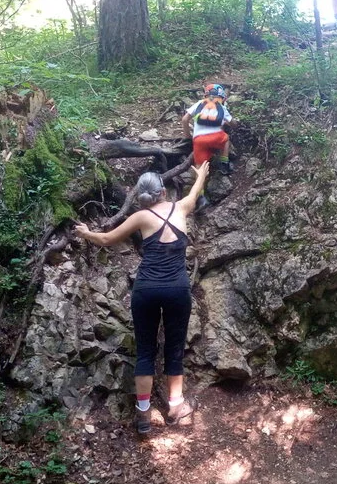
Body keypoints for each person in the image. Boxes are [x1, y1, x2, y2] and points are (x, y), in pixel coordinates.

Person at [74, 162, 210, 436]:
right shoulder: (181, 208)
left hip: (146, 290)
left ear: (141, 194)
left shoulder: (140, 217)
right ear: (163, 191)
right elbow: (194, 194)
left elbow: (107, 239)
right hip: (177, 290)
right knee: (174, 348)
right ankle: (175, 406)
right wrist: (202, 176)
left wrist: (86, 232)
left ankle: (144, 415)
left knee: (146, 350)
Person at [182, 84, 233, 209]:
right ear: (222, 97)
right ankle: (224, 163)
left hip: (199, 140)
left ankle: (201, 197)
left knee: (200, 168)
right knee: (226, 139)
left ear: (206, 95)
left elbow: (184, 119)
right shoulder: (221, 106)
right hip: (216, 137)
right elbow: (231, 122)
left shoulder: (199, 103)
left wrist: (188, 135)